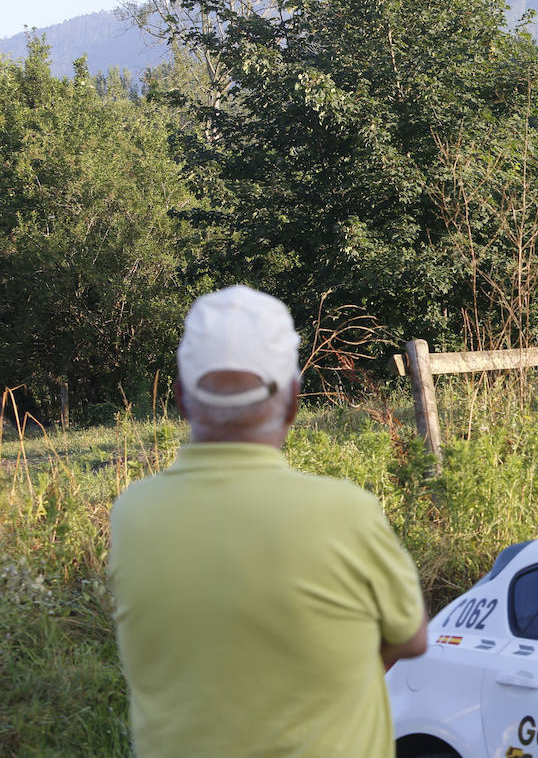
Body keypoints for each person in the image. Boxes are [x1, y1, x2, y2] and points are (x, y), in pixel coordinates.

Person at [108, 285, 427, 757]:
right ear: (294, 401)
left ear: (180, 400)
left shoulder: (132, 513)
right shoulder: (344, 512)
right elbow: (411, 637)